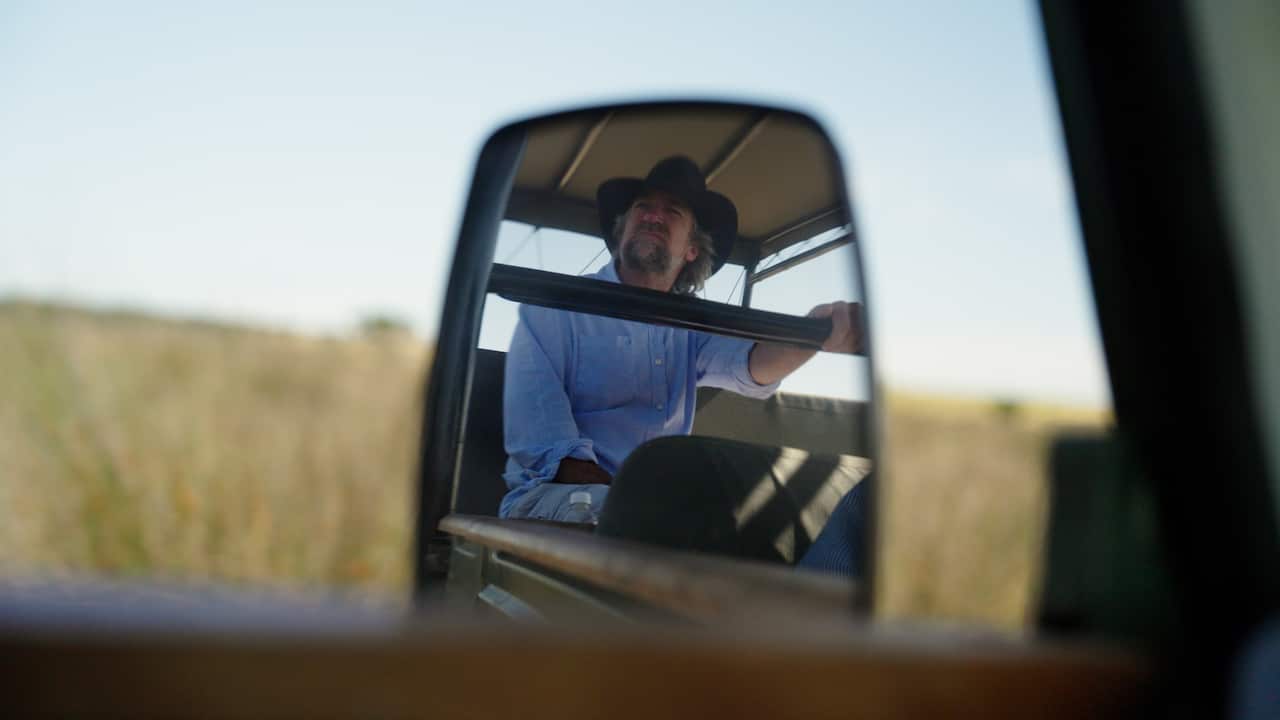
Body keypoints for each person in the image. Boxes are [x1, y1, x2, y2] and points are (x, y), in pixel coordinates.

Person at [498, 155, 864, 528]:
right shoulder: (551, 309)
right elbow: (549, 450)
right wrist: (652, 508)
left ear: (692, 249)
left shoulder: (694, 323)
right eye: (642, 207)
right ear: (621, 232)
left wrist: (814, 332)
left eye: (672, 211)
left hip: (653, 503)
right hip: (557, 499)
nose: (653, 216)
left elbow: (752, 365)